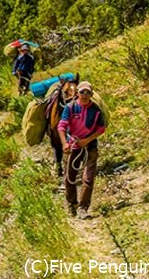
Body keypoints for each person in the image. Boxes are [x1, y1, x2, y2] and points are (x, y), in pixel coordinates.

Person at [57, 81, 106, 219]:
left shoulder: (96, 110)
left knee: (88, 178)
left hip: (90, 147)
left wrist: (87, 140)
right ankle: (72, 203)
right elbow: (62, 126)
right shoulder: (70, 107)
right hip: (73, 146)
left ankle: (83, 208)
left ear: (91, 94)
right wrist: (64, 143)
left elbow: (101, 129)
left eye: (88, 92)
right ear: (77, 93)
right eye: (82, 92)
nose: (84, 95)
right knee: (69, 177)